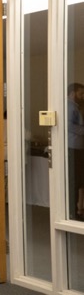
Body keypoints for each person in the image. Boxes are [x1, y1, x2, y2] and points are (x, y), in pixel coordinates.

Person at [67, 82, 84, 220]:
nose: (82, 96)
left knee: (78, 180)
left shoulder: (76, 107)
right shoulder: (69, 107)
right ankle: (72, 212)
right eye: (81, 93)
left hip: (77, 147)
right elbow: (69, 126)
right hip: (73, 147)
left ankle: (77, 210)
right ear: (73, 94)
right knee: (74, 180)